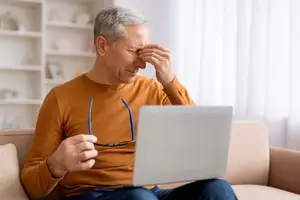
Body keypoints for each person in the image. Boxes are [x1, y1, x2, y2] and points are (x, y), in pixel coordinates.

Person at [20, 6, 238, 200]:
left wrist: (170, 81)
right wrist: (56, 164)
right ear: (103, 46)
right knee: (138, 197)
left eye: (144, 52)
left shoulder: (153, 89)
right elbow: (31, 186)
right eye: (133, 51)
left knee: (217, 189)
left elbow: (196, 135)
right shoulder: (60, 98)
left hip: (149, 193)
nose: (142, 63)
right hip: (93, 194)